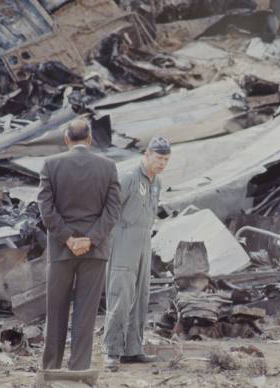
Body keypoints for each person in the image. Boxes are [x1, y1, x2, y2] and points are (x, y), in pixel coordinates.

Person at [38, 118, 121, 371]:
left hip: (62, 249)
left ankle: (51, 368)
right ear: (90, 138)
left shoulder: (50, 165)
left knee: (56, 310)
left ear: (66, 139)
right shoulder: (108, 166)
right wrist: (92, 239)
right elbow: (113, 209)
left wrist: (68, 238)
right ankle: (79, 368)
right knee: (86, 312)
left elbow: (46, 208)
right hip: (95, 251)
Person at [103, 136, 171, 369]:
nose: (162, 162)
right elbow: (108, 208)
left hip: (144, 242)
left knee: (141, 297)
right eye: (158, 157)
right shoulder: (130, 177)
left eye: (166, 159)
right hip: (123, 240)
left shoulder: (156, 183)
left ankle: (133, 349)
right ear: (147, 155)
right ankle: (112, 350)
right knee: (120, 296)